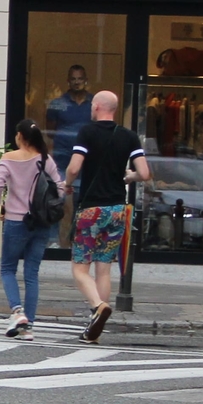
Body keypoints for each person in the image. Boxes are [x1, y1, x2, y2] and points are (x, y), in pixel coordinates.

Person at [61, 90, 150, 344]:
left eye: (92, 105)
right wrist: (128, 176)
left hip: (92, 210)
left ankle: (98, 306)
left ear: (97, 107)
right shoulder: (129, 136)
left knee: (79, 269)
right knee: (103, 270)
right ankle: (95, 323)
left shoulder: (87, 132)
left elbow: (75, 167)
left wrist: (67, 184)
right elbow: (144, 173)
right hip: (117, 211)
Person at [0, 120, 61, 338]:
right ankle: (27, 327)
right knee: (32, 273)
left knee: (8, 269)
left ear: (20, 136)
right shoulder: (44, 158)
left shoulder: (9, 158)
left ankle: (17, 311)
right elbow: (59, 188)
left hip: (15, 220)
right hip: (40, 222)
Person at [44, 65, 94, 162]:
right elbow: (50, 132)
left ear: (86, 80)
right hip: (62, 155)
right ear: (68, 81)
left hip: (89, 154)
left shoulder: (95, 102)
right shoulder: (57, 104)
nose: (77, 82)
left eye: (80, 79)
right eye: (73, 79)